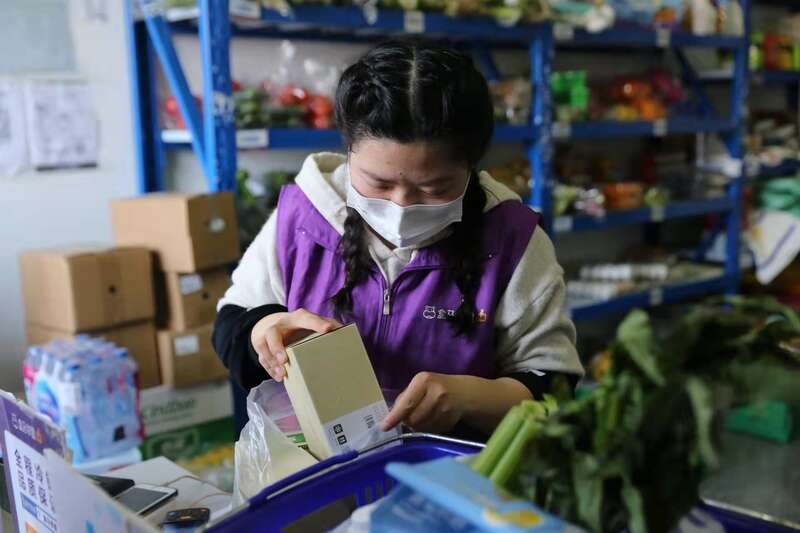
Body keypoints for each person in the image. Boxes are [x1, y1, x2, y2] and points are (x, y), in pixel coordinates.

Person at [213, 40, 583, 439]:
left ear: (471, 166)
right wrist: (265, 330)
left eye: (435, 188)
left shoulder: (512, 239)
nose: (401, 204)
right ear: (349, 151)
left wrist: (473, 398)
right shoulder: (304, 217)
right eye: (378, 183)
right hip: (319, 466)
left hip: (453, 470)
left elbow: (554, 386)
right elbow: (231, 324)